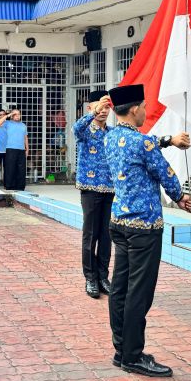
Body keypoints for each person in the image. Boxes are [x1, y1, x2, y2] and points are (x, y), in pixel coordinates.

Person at [104, 84, 191, 378]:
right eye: (143, 106)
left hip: (119, 222)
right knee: (139, 293)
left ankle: (121, 349)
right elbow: (163, 171)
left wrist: (167, 139)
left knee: (120, 288)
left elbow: (146, 143)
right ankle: (133, 355)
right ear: (133, 110)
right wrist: (180, 196)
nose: (145, 111)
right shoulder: (141, 144)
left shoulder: (111, 137)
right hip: (144, 226)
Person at [72, 90, 114, 299]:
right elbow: (75, 128)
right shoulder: (85, 131)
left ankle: (103, 276)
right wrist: (93, 113)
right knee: (90, 235)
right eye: (99, 107)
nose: (103, 111)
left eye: (106, 107)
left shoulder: (112, 133)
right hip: (89, 189)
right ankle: (90, 277)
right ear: (90, 108)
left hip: (110, 190)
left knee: (106, 235)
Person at [0, 108, 28, 190]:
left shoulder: (23, 125)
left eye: (19, 114)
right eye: (15, 114)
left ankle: (20, 186)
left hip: (21, 149)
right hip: (11, 149)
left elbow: (25, 138)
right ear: (12, 116)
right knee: (10, 168)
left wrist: (27, 149)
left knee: (21, 169)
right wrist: (8, 115)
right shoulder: (7, 123)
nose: (17, 116)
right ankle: (10, 186)